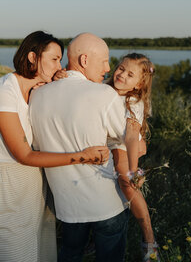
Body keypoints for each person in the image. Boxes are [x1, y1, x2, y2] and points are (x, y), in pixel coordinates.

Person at [0, 31, 110, 262]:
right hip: (6, 185)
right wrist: (81, 156)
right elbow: (24, 153)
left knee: (40, 253)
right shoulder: (3, 91)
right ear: (32, 57)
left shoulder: (40, 91)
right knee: (12, 253)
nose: (60, 66)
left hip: (34, 183)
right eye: (54, 59)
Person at [29, 33, 128, 262]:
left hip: (67, 206)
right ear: (84, 60)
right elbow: (126, 138)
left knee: (70, 254)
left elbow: (37, 144)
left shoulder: (37, 95)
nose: (108, 67)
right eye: (104, 60)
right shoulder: (104, 93)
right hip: (106, 203)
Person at [106, 53, 159, 261]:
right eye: (120, 68)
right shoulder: (104, 88)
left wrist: (133, 170)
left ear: (138, 85)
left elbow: (130, 134)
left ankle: (148, 236)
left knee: (125, 180)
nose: (122, 75)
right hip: (103, 140)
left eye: (130, 74)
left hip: (122, 143)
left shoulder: (133, 100)